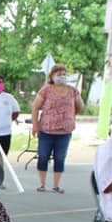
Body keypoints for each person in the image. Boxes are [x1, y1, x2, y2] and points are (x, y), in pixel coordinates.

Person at [30, 64, 83, 194]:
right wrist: (35, 125)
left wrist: (71, 114)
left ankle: (56, 185)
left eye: (64, 74)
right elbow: (35, 107)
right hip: (47, 130)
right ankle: (42, 184)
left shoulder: (72, 90)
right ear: (52, 76)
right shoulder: (46, 90)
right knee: (43, 156)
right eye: (58, 74)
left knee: (60, 157)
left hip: (64, 131)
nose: (62, 77)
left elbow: (80, 105)